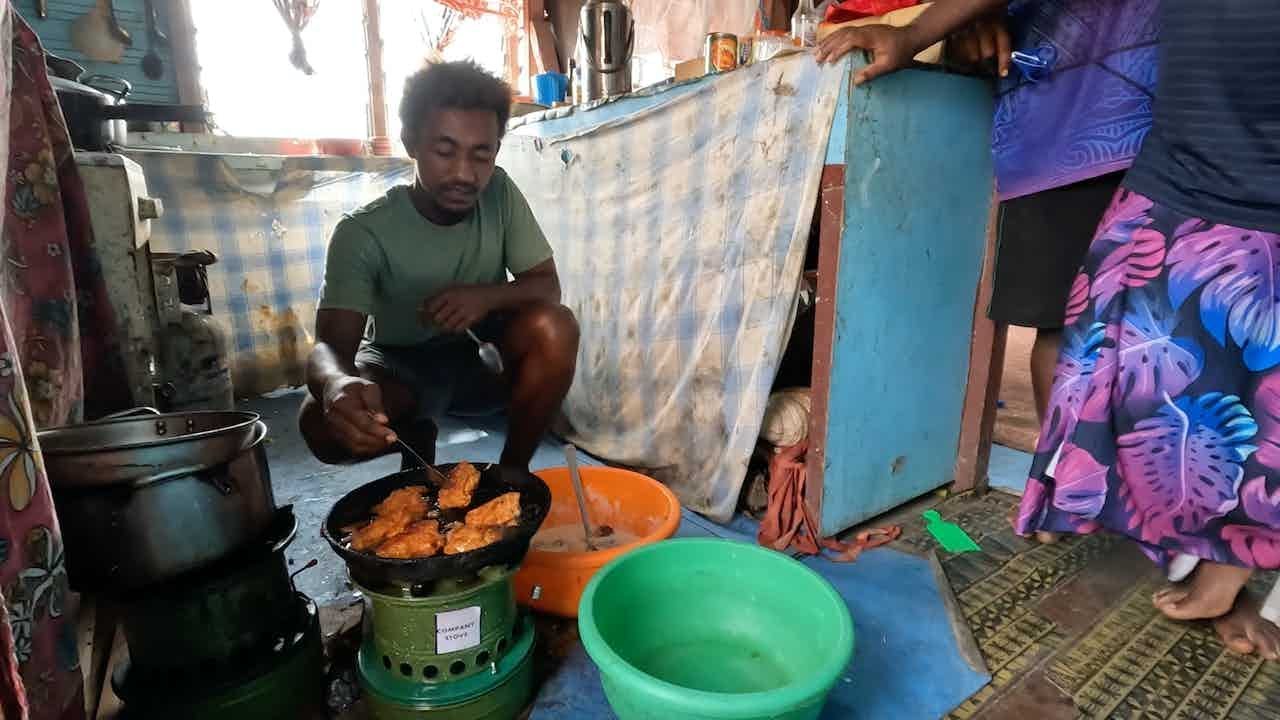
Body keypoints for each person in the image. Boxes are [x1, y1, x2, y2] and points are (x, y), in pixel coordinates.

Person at [817, 0, 1280, 660]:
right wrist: (924, 30)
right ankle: (1117, 511)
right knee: (1105, 355)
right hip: (1149, 150)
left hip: (1206, 156)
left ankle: (1227, 561)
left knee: (1253, 386)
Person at [299, 61, 579, 470]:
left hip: (481, 360)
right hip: (398, 371)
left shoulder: (499, 193)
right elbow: (329, 349)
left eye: (481, 154)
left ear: (496, 151)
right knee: (320, 422)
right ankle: (414, 433)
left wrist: (485, 298)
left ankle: (512, 474)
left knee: (556, 327)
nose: (464, 174)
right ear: (410, 142)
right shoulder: (361, 232)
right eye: (445, 152)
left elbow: (546, 288)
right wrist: (337, 383)